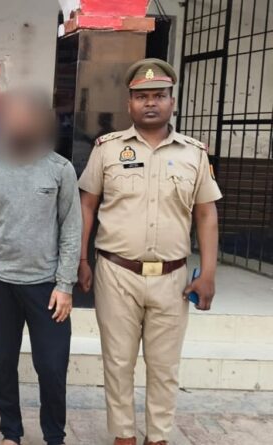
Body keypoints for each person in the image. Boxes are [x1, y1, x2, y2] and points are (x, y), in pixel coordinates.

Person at [77, 58, 222, 445]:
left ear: (172, 102)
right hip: (117, 273)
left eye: (159, 95)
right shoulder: (108, 149)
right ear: (129, 104)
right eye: (142, 97)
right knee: (118, 362)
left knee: (164, 366)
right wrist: (81, 259)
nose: (151, 103)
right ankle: (123, 436)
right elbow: (87, 205)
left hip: (173, 278)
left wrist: (208, 273)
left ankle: (158, 437)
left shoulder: (194, 153)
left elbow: (206, 214)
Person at [0, 90, 81, 445]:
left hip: (47, 287)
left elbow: (71, 230)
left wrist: (65, 284)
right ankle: (11, 432)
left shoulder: (60, 169)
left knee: (52, 366)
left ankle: (54, 435)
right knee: (4, 363)